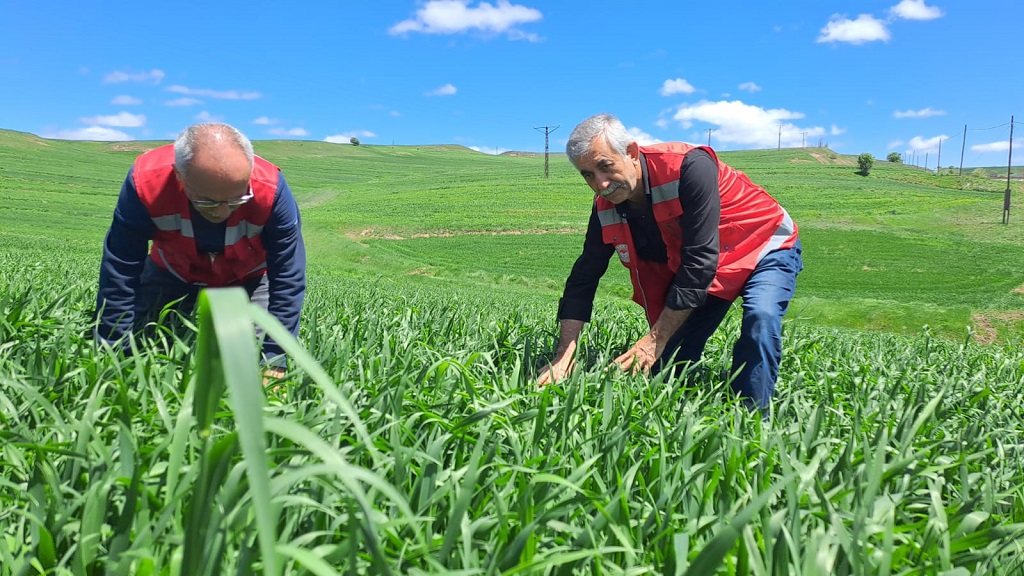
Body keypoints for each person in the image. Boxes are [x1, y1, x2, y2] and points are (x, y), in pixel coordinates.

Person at [537, 113, 802, 412]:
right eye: (588, 175)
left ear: (632, 153)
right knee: (665, 369)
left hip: (765, 243)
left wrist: (654, 338)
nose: (601, 183)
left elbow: (699, 260)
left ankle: (751, 422)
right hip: (711, 264)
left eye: (605, 166)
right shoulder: (606, 207)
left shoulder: (689, 166)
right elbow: (585, 275)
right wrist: (563, 356)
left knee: (761, 316)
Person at [95, 122, 306, 374]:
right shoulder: (145, 182)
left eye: (237, 199)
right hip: (171, 270)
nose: (222, 211)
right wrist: (112, 348)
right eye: (207, 202)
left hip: (249, 276)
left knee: (250, 358)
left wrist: (274, 357)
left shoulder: (271, 190)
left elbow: (287, 276)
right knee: (144, 336)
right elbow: (121, 264)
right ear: (179, 176)